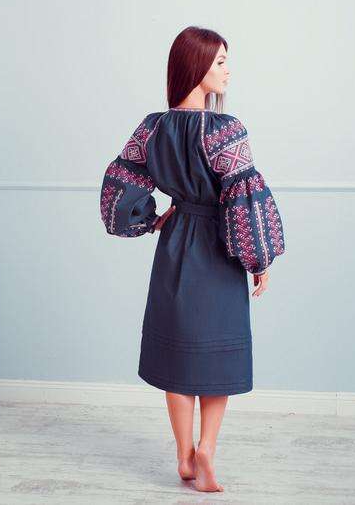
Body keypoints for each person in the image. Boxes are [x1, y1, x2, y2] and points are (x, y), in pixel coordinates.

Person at [99, 26, 285, 493]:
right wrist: (258, 258)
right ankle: (207, 449)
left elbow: (121, 181)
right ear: (196, 65)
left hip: (176, 242)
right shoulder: (225, 130)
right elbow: (243, 197)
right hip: (220, 247)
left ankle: (184, 456)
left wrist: (152, 219)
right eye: (220, 61)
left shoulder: (152, 128)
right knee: (218, 354)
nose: (227, 70)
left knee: (178, 354)